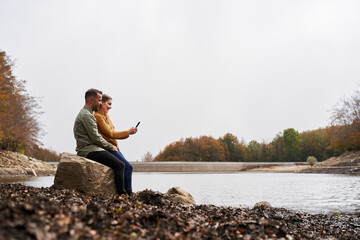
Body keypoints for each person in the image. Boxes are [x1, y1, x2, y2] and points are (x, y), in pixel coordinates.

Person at [73, 88, 129, 195]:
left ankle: (123, 192)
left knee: (119, 164)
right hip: (89, 150)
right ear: (91, 101)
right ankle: (122, 194)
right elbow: (96, 138)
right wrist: (110, 146)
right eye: (99, 101)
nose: (100, 103)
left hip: (92, 148)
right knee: (119, 165)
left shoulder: (87, 114)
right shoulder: (87, 115)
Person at [94, 94, 137, 195]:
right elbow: (111, 134)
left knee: (127, 167)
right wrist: (128, 132)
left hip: (114, 146)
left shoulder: (105, 116)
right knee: (128, 167)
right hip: (108, 147)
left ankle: (127, 192)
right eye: (108, 104)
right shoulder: (98, 117)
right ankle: (127, 193)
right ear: (101, 103)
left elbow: (112, 132)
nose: (110, 107)